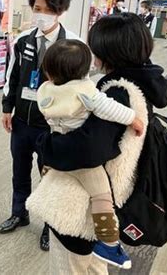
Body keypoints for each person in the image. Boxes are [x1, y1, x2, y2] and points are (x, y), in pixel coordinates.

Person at [28, 13, 167, 273]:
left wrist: (43, 144)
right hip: (98, 202)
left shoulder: (116, 91)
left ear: (108, 50)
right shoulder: (143, 82)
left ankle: (109, 241)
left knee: (71, 267)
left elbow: (86, 150)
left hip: (78, 208)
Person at [38, 39, 146, 269]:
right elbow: (109, 109)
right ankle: (108, 242)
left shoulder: (48, 91)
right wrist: (132, 119)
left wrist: (45, 147)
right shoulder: (86, 91)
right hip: (85, 168)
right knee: (102, 196)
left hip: (58, 156)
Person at [0, 0, 79, 252]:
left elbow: (80, 88)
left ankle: (48, 225)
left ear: (60, 10)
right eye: (36, 8)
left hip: (52, 127)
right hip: (22, 122)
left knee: (50, 177)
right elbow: (13, 76)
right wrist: (7, 108)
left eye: (47, 9)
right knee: (19, 171)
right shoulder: (22, 41)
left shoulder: (73, 45)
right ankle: (19, 213)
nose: (41, 14)